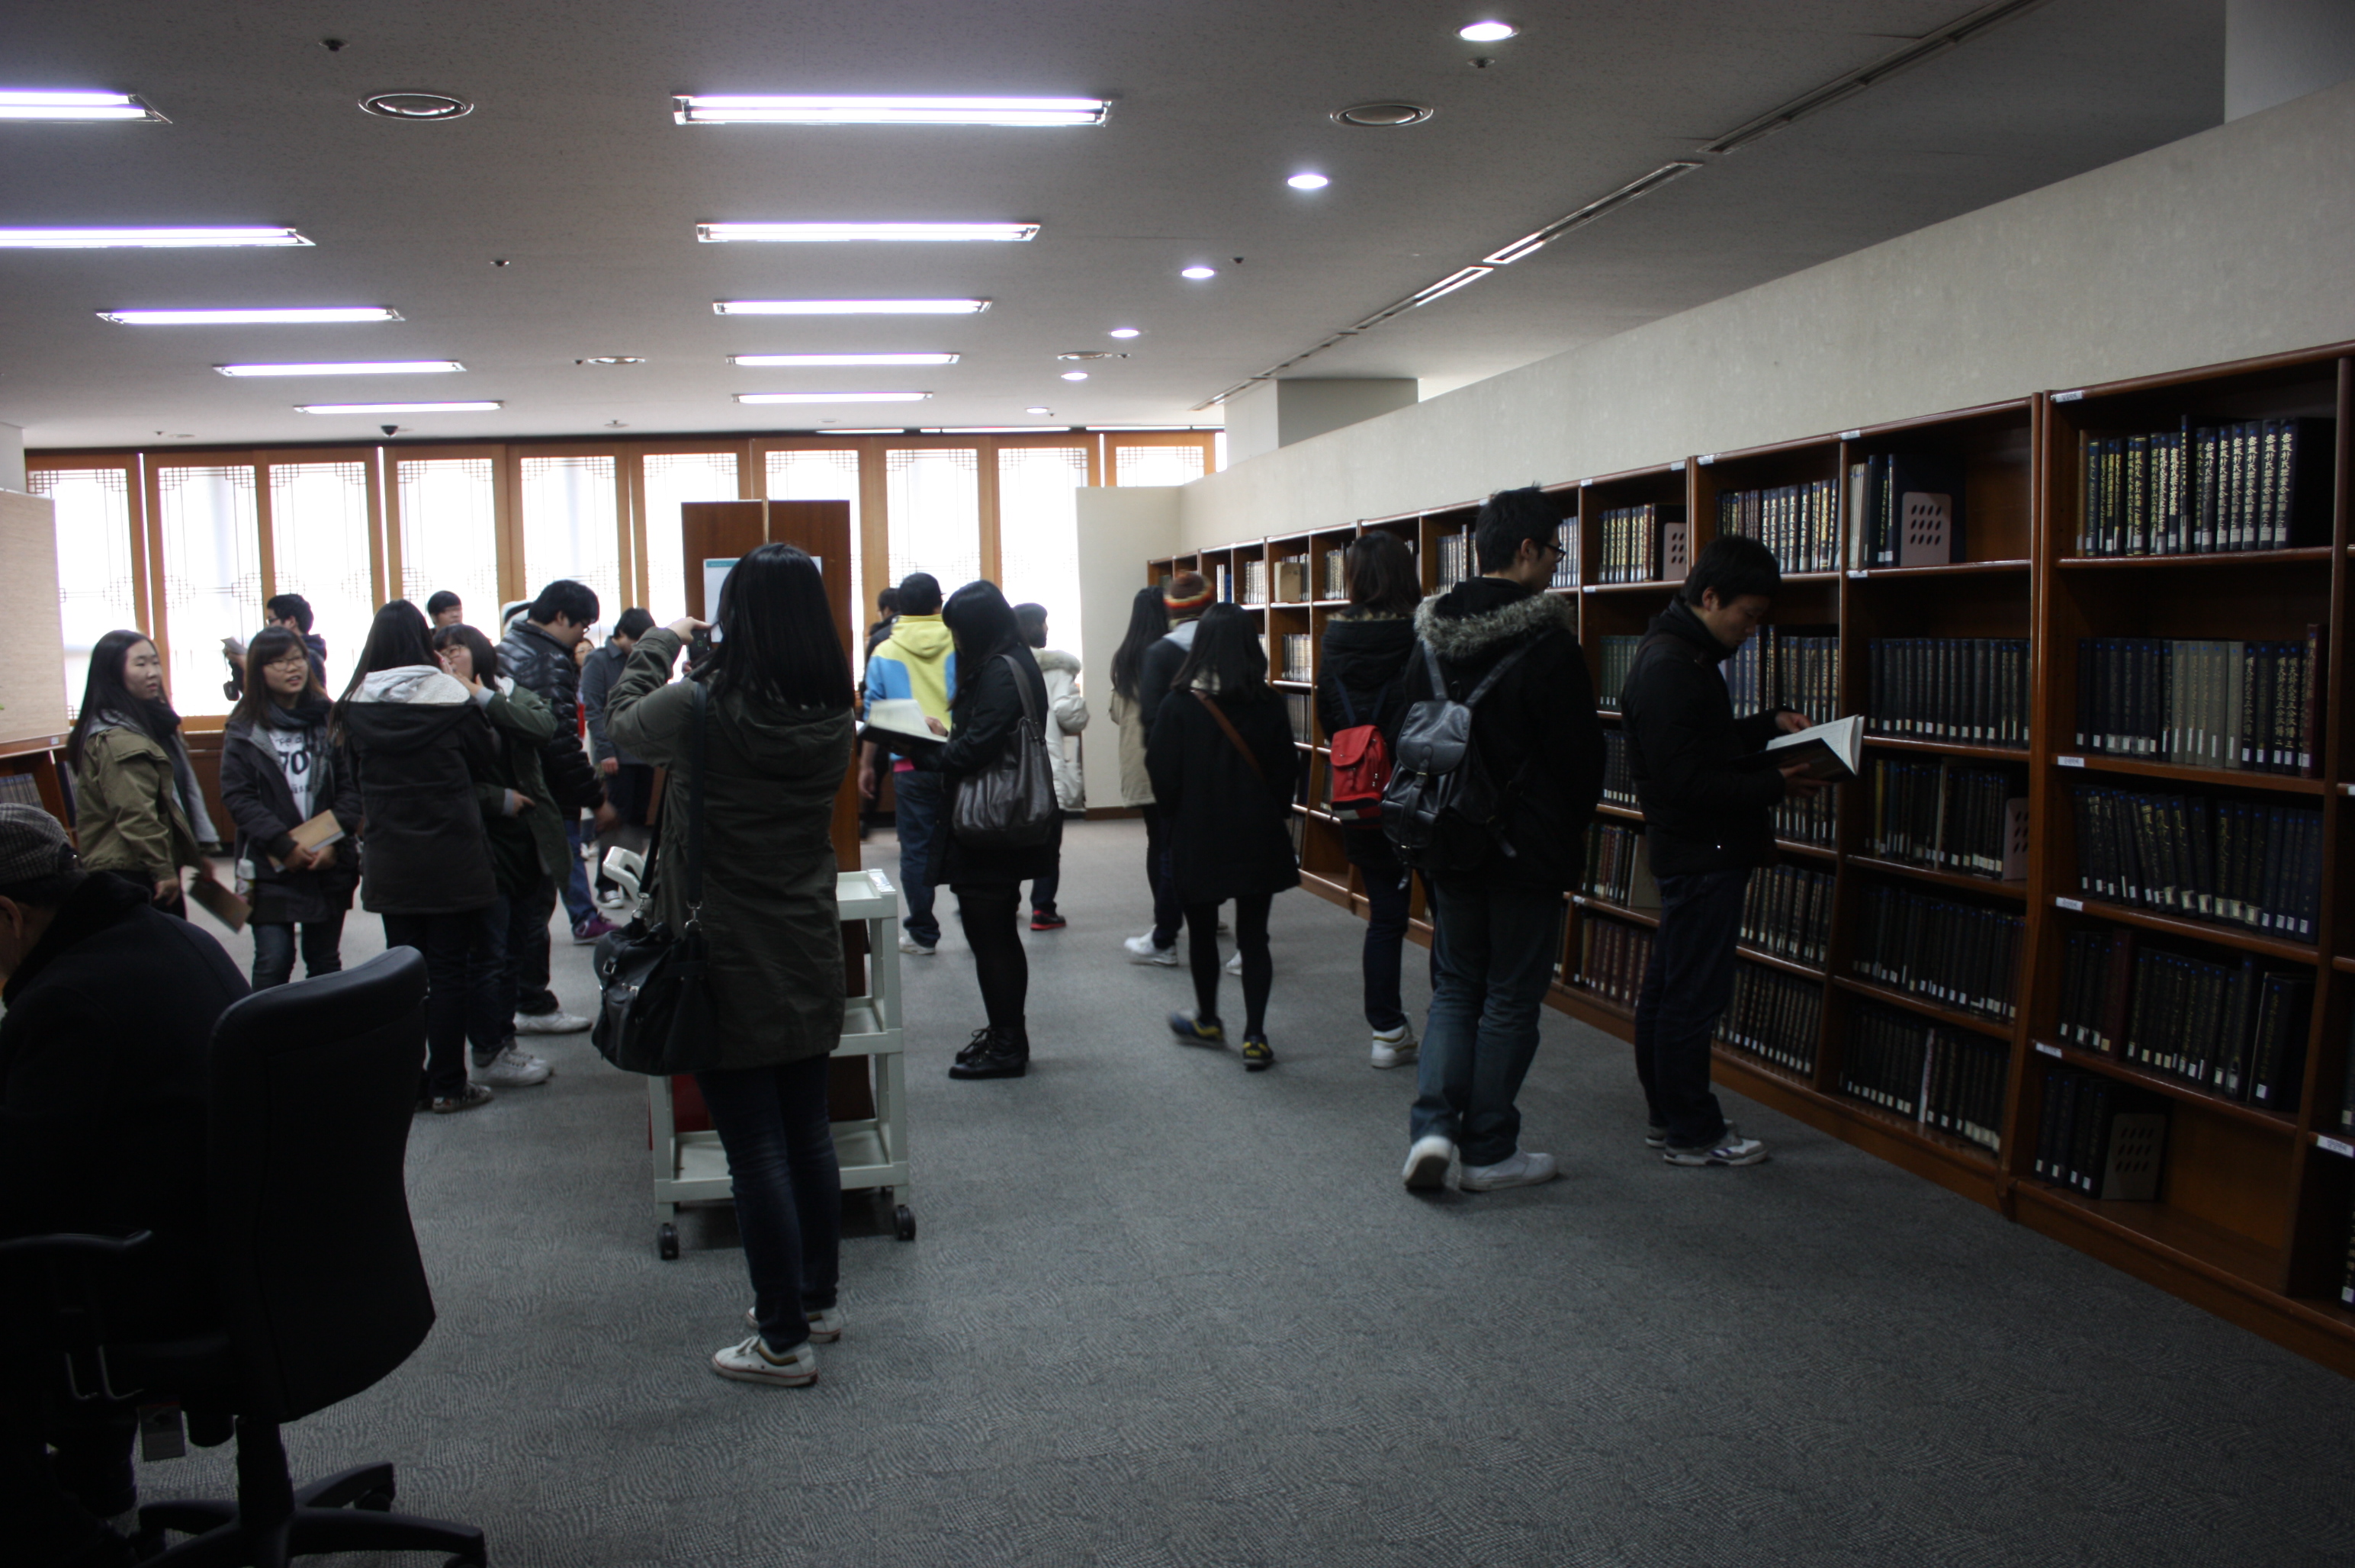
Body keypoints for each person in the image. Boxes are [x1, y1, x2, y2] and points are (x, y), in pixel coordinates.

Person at [606, 545, 856, 1390]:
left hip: (723, 950)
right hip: (805, 939)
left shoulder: (700, 707)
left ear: (736, 618)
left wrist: (660, 640)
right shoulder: (834, 711)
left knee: (753, 1150)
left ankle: (781, 1341)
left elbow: (621, 723)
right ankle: (814, 1301)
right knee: (807, 1133)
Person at [0, 805, 246, 1568]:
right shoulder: (174, 938)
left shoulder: (67, 1000)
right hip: (249, 1246)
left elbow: (17, 1190)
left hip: (158, 1273)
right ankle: (97, 1482)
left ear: (8, 915)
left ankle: (66, 1543)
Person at [1399, 487, 1605, 1194]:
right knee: (1511, 998)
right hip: (1527, 852)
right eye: (1555, 551)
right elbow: (1580, 762)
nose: (1555, 564)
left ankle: (1433, 1128)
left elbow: (1404, 730)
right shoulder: (1550, 644)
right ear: (1526, 549)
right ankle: (1488, 1150)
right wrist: (1565, 831)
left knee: (1456, 988)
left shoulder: (1428, 638)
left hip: (1445, 838)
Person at [1621, 535, 1820, 1168]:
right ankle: (1693, 1132)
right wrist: (1775, 784)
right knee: (1691, 998)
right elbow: (1687, 781)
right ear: (1710, 597)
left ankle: (1669, 1117)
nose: (1752, 630)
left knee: (1670, 989)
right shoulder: (1673, 667)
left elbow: (1701, 744)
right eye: (1748, 615)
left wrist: (1768, 724)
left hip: (1692, 849)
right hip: (1702, 852)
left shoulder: (1681, 653)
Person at [336, 600, 503, 1114]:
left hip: (391, 855)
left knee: (404, 974)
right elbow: (487, 757)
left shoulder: (354, 704)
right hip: (451, 853)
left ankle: (411, 1083)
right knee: (449, 971)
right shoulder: (449, 696)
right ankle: (450, 1085)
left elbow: (350, 775)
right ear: (423, 642)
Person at [904, 580, 1056, 1081]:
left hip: (992, 823)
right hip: (1002, 817)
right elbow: (987, 737)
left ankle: (1008, 1044)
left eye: (959, 633)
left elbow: (975, 751)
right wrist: (945, 737)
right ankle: (1006, 1034)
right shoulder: (1013, 660)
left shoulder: (999, 670)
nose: (957, 643)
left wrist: (923, 747)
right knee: (994, 932)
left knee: (990, 935)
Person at [1145, 606, 1299, 1072]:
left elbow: (1162, 776)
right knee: (1254, 938)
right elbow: (1287, 771)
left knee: (1201, 933)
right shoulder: (1269, 702)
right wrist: (1270, 814)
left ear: (1201, 647)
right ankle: (1256, 1037)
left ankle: (1209, 1020)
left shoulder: (1178, 704)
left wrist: (1177, 819)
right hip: (1257, 835)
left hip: (1199, 835)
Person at [432, 624, 561, 1091]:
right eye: (441, 652)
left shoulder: (506, 692)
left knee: (516, 948)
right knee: (488, 953)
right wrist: (498, 799)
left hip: (527, 840)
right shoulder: (437, 706)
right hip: (480, 842)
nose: (449, 659)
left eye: (457, 649)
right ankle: (488, 1049)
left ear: (480, 653)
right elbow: (446, 780)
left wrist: (479, 695)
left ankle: (504, 1041)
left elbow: (543, 727)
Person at [1316, 531, 1425, 1069]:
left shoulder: (1333, 638)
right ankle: (1455, 1030)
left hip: (1360, 790)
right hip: (1422, 790)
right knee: (1451, 916)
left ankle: (1387, 1030)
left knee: (1385, 916)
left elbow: (1327, 715)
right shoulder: (1423, 634)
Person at [217, 628, 361, 990]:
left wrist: (330, 842)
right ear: (258, 670)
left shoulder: (329, 718)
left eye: (297, 658)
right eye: (278, 662)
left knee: (324, 959)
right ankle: (265, 1027)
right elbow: (238, 797)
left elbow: (352, 788)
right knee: (274, 958)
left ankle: (325, 1028)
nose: (292, 668)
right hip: (268, 861)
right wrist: (283, 845)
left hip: (328, 860)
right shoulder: (244, 728)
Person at [497, 580, 609, 1026]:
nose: (583, 635)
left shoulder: (511, 645)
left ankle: (521, 1000)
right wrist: (595, 798)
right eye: (582, 624)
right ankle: (531, 1002)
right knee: (534, 904)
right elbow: (560, 741)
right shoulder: (547, 659)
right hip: (541, 799)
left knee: (522, 905)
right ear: (561, 617)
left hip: (518, 794)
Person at [66, 628, 217, 917]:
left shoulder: (155, 723)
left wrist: (198, 851)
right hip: (129, 868)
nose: (152, 672)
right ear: (113, 673)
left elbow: (179, 795)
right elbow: (136, 811)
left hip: (154, 860)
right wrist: (162, 869)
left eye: (155, 662)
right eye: (140, 664)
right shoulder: (117, 736)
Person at [858, 572, 955, 957]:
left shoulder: (885, 650)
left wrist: (867, 765)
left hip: (910, 763)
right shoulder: (961, 640)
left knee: (916, 850)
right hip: (960, 758)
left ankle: (922, 934)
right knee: (967, 841)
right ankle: (977, 919)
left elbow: (874, 713)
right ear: (938, 603)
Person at [1121, 572, 1212, 964]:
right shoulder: (1218, 648)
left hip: (1157, 767)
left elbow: (1135, 718)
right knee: (1205, 845)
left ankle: (1166, 929)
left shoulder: (1138, 655)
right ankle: (1201, 915)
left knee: (1162, 845)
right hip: (1211, 768)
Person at [1107, 586, 1177, 963]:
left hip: (1140, 759)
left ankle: (1164, 924)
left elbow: (1117, 713)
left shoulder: (1126, 656)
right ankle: (1191, 911)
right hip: (1177, 758)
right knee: (1184, 840)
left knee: (1158, 842)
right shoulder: (1175, 652)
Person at [1014, 601, 1088, 930]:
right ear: (1035, 627)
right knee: (1047, 844)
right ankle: (1043, 909)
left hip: (1011, 770)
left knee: (1010, 840)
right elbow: (1068, 715)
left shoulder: (1002, 663)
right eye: (1044, 622)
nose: (1047, 628)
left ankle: (1008, 901)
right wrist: (1080, 708)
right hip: (1046, 766)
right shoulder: (1057, 670)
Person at [580, 607, 658, 904]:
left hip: (642, 753)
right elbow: (594, 711)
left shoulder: (643, 660)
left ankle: (629, 879)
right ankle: (606, 885)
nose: (638, 648)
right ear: (621, 633)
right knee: (615, 819)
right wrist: (605, 752)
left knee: (638, 819)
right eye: (635, 641)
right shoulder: (598, 660)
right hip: (613, 756)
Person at [220, 593, 328, 700]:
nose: (269, 627)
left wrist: (247, 664)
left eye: (271, 620)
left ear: (291, 622)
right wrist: (237, 662)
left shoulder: (310, 656)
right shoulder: (281, 651)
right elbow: (253, 695)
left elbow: (284, 697)